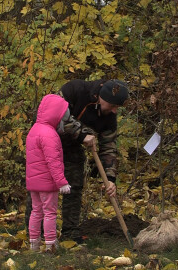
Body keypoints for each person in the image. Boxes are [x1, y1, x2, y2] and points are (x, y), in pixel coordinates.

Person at [25, 79, 129, 244]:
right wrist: (81, 134)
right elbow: (54, 113)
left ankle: (70, 232)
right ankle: (35, 232)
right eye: (113, 105)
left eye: (118, 107)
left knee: (75, 185)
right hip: (46, 142)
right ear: (103, 97)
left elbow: (109, 147)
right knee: (41, 184)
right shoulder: (74, 90)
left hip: (72, 147)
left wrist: (110, 178)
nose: (115, 111)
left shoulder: (109, 117)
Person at [26, 94, 72, 253]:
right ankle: (50, 243)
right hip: (47, 183)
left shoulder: (34, 130)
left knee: (36, 211)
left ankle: (34, 243)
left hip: (34, 183)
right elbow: (54, 161)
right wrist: (62, 182)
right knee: (50, 213)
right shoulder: (50, 134)